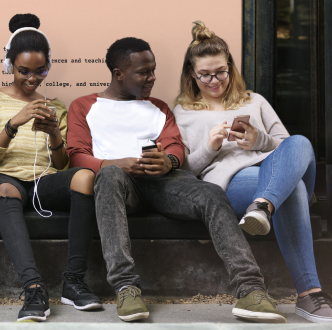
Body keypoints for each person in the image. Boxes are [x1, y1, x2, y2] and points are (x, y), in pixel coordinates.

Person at [67, 36, 285, 323]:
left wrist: (167, 161)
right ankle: (126, 287)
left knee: (210, 193)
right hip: (118, 184)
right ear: (118, 74)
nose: (152, 78)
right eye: (143, 72)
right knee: (108, 176)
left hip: (163, 183)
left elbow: (175, 147)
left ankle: (251, 290)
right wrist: (115, 163)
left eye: (153, 70)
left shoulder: (159, 107)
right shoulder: (83, 105)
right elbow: (77, 154)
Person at [174, 21, 331, 323]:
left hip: (273, 172)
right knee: (294, 190)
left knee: (301, 141)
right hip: (232, 183)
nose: (214, 80)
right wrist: (210, 146)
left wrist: (258, 139)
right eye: (204, 74)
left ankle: (263, 205)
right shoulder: (183, 112)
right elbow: (186, 171)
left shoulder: (254, 100)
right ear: (192, 75)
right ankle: (309, 294)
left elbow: (289, 148)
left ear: (230, 67)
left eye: (220, 71)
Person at [0, 13, 100, 322]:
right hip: (2, 180)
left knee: (84, 177)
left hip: (43, 182)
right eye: (23, 71)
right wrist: (13, 124)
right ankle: (33, 288)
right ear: (8, 66)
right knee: (6, 189)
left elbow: (62, 165)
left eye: (40, 71)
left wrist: (55, 135)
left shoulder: (55, 106)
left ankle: (73, 281)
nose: (32, 79)